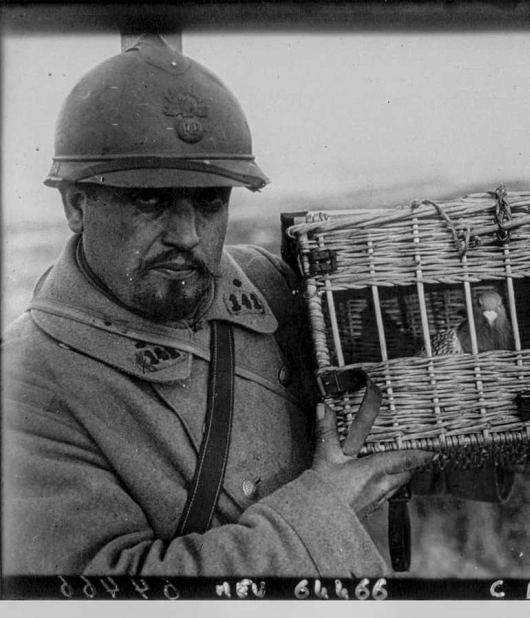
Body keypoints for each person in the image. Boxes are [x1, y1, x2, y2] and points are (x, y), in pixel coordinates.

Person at [1, 34, 436, 577]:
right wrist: (328, 508)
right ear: (75, 204)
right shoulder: (29, 385)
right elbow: (104, 594)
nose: (186, 234)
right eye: (149, 200)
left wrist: (513, 438)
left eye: (209, 202)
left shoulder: (265, 282)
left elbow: (379, 425)